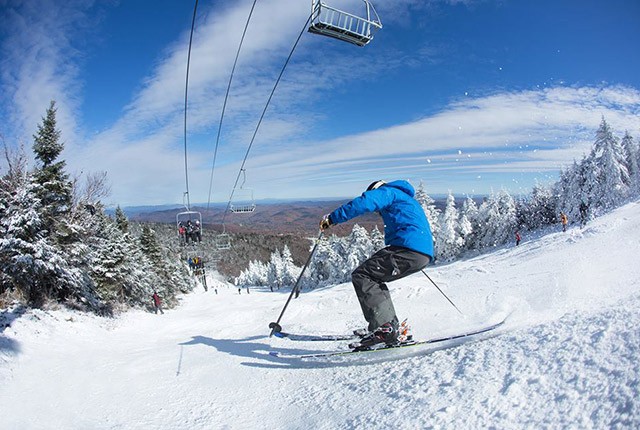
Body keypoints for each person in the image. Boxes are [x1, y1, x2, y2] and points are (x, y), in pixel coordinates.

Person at [319, 179, 434, 349]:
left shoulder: (388, 192)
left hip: (408, 249)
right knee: (376, 278)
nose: (379, 212)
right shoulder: (406, 198)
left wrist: (332, 219)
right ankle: (388, 326)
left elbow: (364, 202)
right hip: (419, 252)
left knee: (363, 275)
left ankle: (384, 328)